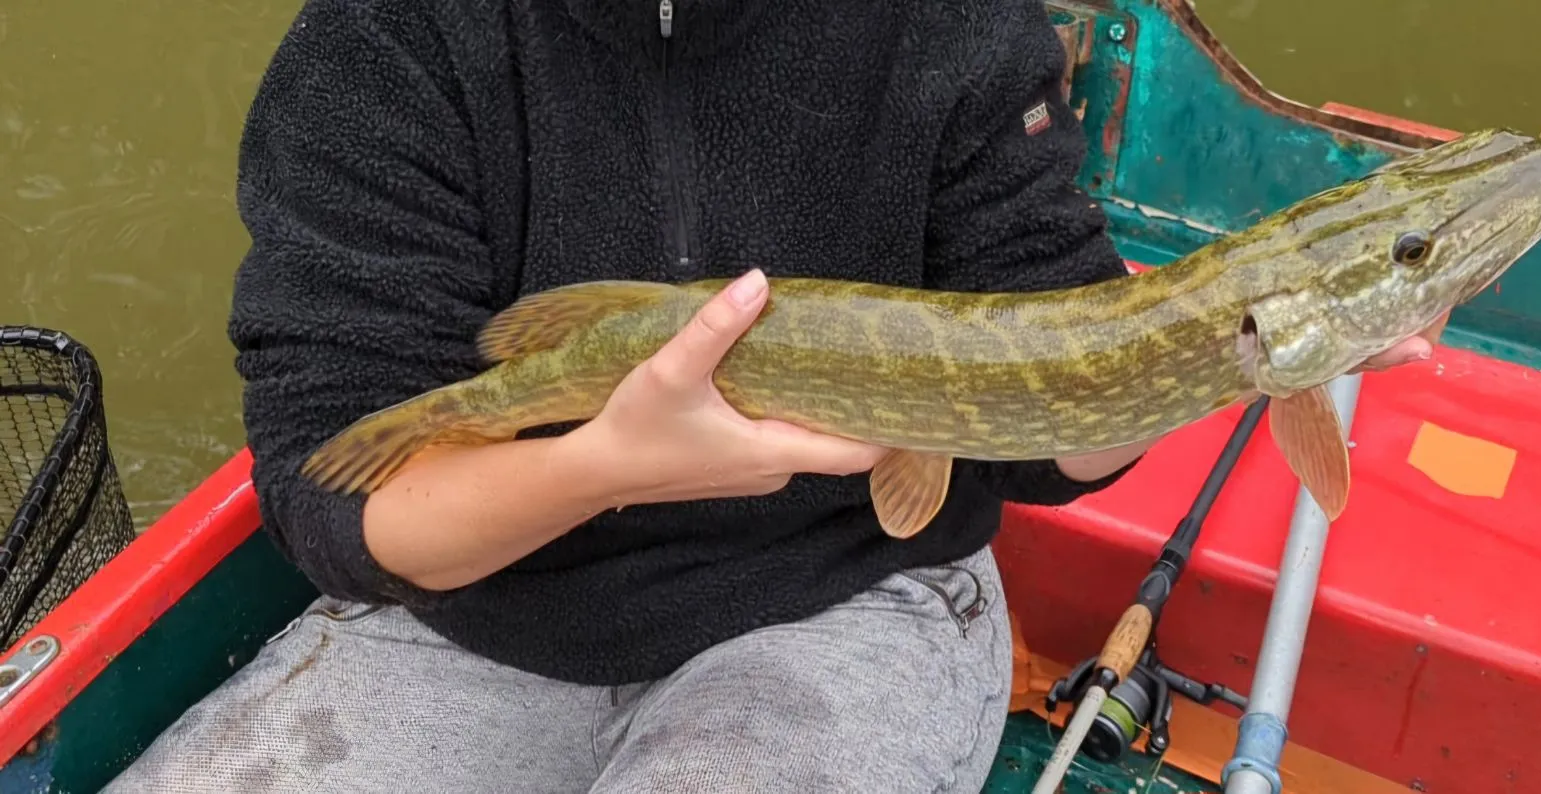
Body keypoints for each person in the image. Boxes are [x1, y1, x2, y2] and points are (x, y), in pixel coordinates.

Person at [108, 0, 1440, 790]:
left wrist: (1236, 352)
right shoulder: (386, 45)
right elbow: (337, 492)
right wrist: (606, 461)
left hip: (853, 592)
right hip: (469, 604)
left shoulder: (951, 26)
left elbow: (1053, 454)